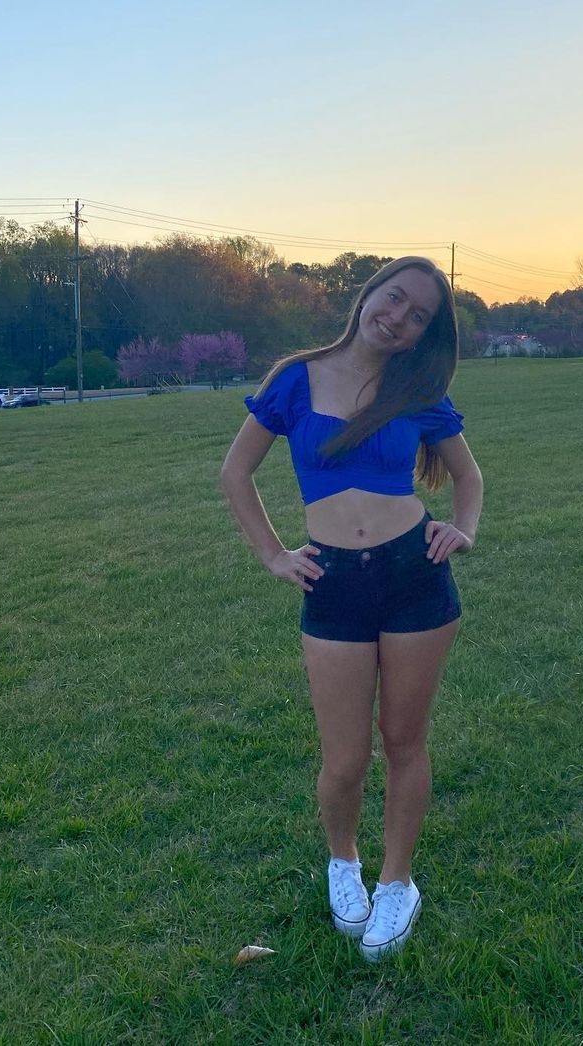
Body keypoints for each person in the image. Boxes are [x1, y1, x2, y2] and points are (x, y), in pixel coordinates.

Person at [220, 256, 483, 960]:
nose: (398, 319)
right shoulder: (294, 379)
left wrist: (463, 529)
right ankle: (344, 861)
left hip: (414, 576)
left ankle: (397, 881)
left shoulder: (417, 390)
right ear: (369, 295)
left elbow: (468, 476)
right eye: (394, 299)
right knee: (343, 758)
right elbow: (235, 472)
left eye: (418, 316)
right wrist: (274, 555)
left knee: (404, 742)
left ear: (424, 333)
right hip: (332, 581)